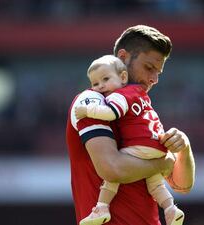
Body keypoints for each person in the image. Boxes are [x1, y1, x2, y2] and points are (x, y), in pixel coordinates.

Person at [66, 25, 195, 225]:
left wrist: (184, 148)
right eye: (149, 68)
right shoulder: (91, 101)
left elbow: (183, 186)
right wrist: (161, 163)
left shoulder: (140, 110)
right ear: (123, 57)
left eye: (158, 73)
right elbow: (112, 169)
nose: (154, 79)